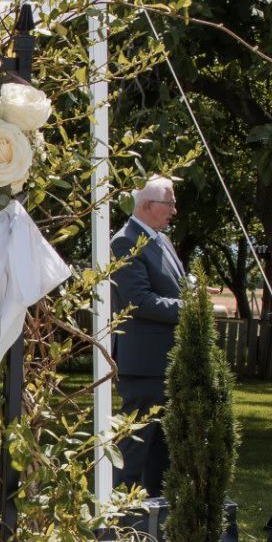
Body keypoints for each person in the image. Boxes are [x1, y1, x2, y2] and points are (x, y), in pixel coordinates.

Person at [111, 175, 188, 496]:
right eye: (169, 203)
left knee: (162, 450)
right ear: (146, 205)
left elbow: (171, 285)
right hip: (143, 366)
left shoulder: (160, 239)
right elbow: (137, 300)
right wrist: (189, 307)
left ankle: (154, 515)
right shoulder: (124, 241)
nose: (174, 210)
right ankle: (117, 516)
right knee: (135, 446)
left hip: (165, 363)